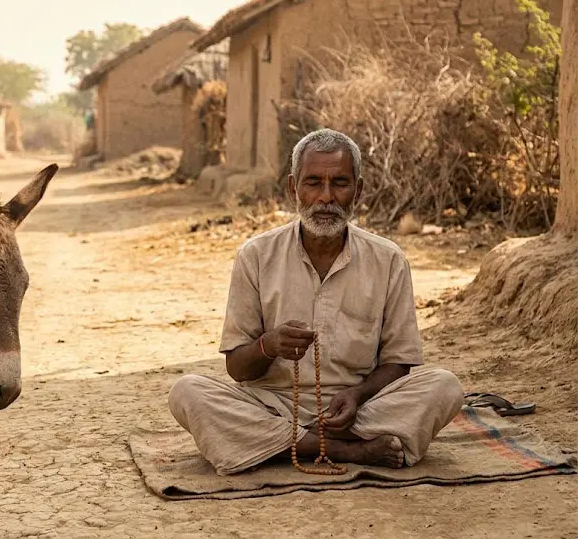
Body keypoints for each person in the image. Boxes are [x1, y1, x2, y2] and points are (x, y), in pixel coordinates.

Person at [168, 128, 464, 475]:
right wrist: (268, 345)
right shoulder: (256, 256)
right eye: (313, 183)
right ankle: (346, 451)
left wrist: (356, 395)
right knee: (187, 392)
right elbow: (237, 369)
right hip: (271, 406)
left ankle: (286, 444)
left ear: (359, 190)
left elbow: (399, 363)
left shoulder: (388, 259)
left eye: (340, 182)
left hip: (359, 410)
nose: (326, 197)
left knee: (445, 386)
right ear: (294, 188)